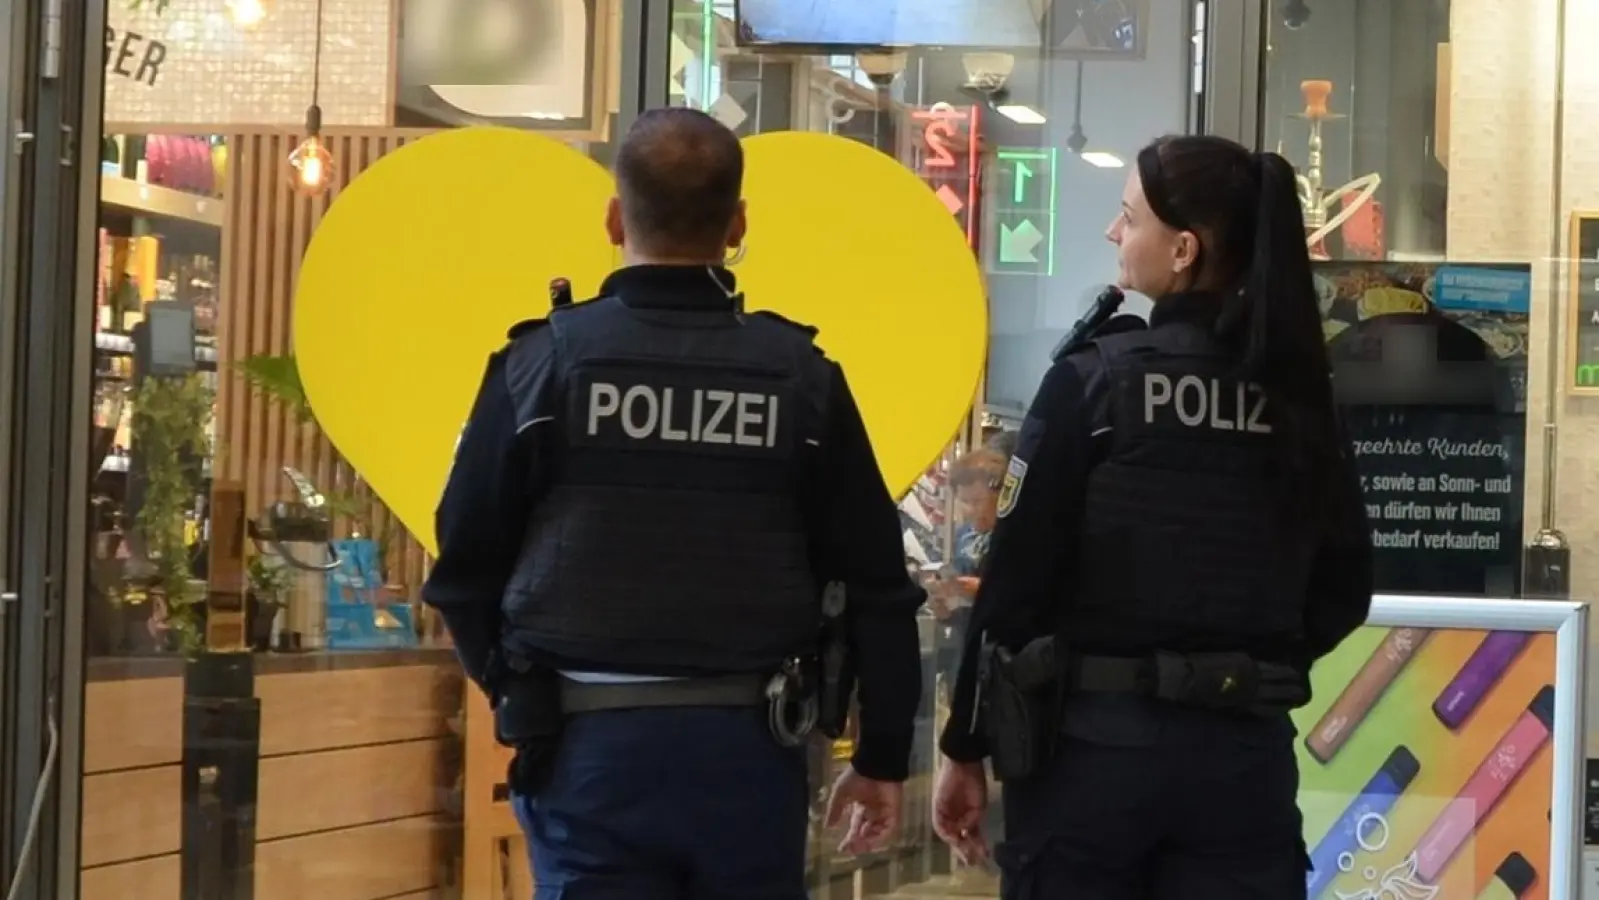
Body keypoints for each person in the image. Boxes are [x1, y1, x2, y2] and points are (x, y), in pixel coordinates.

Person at [421, 107, 925, 899]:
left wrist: (517, 694)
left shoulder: (542, 367)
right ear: (738, 225)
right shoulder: (800, 378)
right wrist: (881, 755)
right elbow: (876, 585)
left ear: (615, 219)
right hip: (748, 752)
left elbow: (462, 565)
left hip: (585, 748)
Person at [931, 134, 1374, 899]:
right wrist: (1248, 661)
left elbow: (1013, 584)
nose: (1113, 233)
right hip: (1242, 760)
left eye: (1127, 218)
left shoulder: (1095, 384)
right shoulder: (1299, 397)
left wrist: (964, 745)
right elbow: (1343, 588)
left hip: (1092, 760)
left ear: (1183, 250)